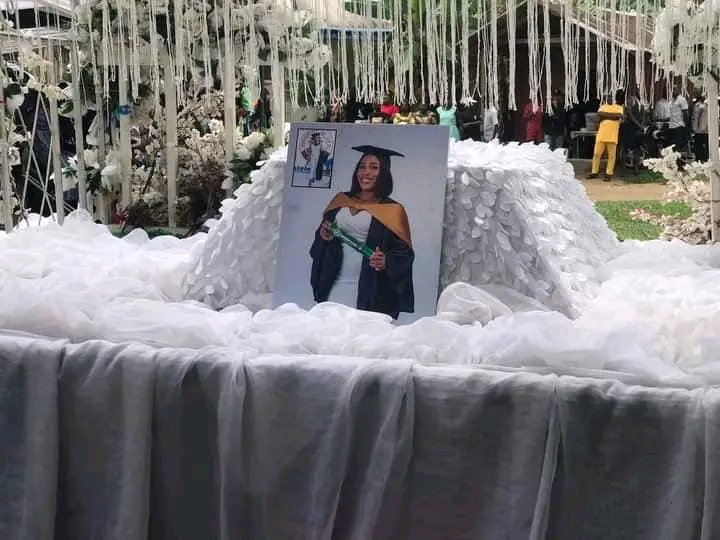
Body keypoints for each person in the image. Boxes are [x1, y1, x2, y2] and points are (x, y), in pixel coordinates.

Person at [310, 145, 414, 319]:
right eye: (362, 167)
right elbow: (319, 243)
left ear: (383, 174)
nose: (366, 172)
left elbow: (403, 255)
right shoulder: (340, 201)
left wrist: (386, 261)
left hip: (370, 288)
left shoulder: (393, 210)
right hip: (335, 283)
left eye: (374, 167)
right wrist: (324, 237)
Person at [588, 91, 624, 181]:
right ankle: (594, 172)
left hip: (612, 135)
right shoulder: (602, 106)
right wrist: (612, 116)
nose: (608, 99)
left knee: (611, 156)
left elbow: (618, 116)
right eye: (607, 97)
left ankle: (609, 174)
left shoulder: (619, 107)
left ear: (614, 98)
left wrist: (606, 116)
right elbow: (600, 114)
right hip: (601, 134)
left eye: (610, 97)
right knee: (596, 154)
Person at [667, 85, 690, 152]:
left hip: (679, 126)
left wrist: (685, 125)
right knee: (671, 147)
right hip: (671, 126)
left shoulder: (681, 99)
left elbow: (685, 113)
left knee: (678, 147)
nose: (673, 91)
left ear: (678, 90)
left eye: (674, 89)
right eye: (672, 89)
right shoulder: (671, 100)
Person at [692, 96, 708, 162]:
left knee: (705, 146)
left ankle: (705, 159)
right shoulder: (696, 105)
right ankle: (698, 158)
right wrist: (694, 127)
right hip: (698, 130)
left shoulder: (707, 105)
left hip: (705, 130)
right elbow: (694, 117)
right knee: (698, 146)